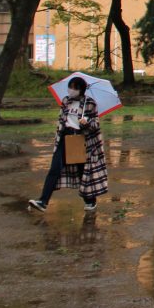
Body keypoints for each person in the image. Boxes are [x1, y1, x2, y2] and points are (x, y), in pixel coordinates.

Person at [28, 75, 108, 213]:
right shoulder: (66, 101)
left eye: (75, 88)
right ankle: (43, 201)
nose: (71, 90)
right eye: (70, 87)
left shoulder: (90, 103)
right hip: (65, 138)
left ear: (81, 90)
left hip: (81, 141)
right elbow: (61, 119)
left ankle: (90, 201)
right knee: (54, 169)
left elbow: (96, 124)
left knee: (82, 171)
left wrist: (86, 122)